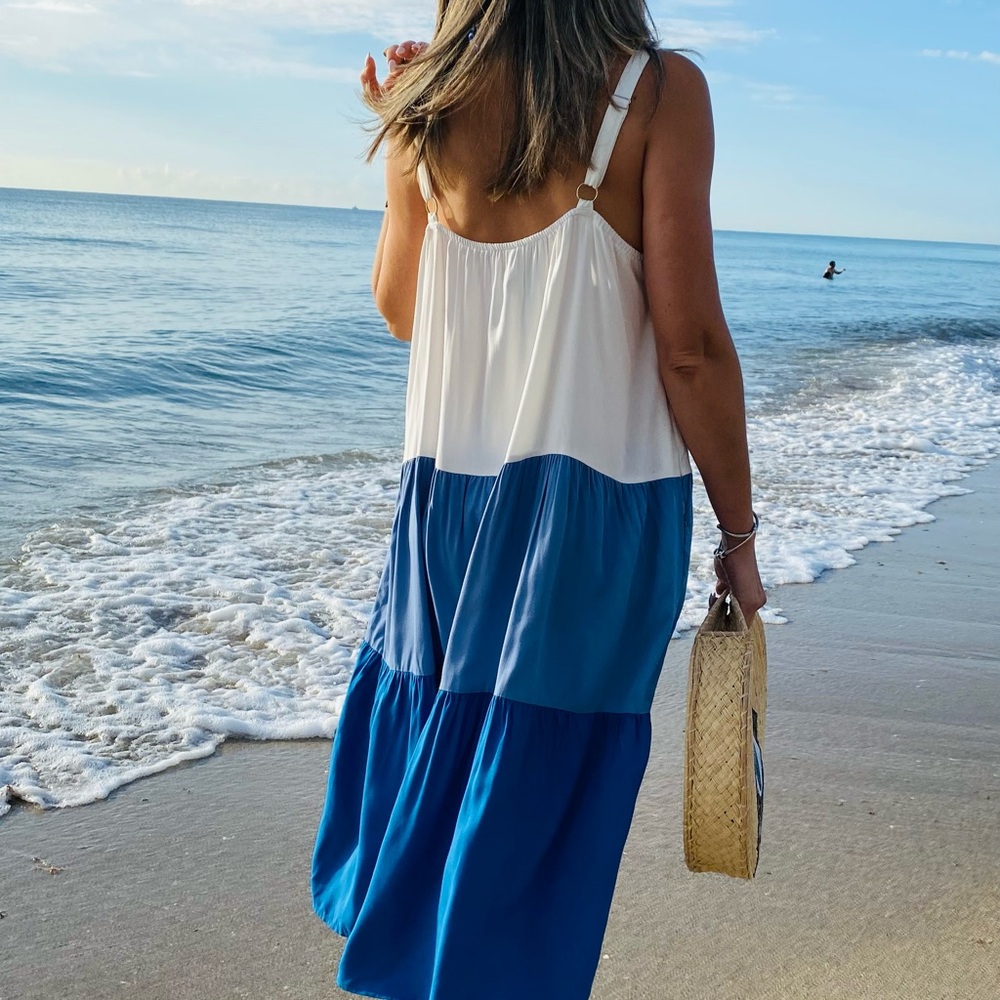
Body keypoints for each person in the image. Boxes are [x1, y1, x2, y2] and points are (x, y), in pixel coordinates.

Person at [311, 3, 766, 998]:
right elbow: (689, 348)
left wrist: (409, 138)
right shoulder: (655, 93)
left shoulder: (432, 102)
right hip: (592, 521)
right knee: (529, 827)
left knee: (436, 791)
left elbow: (401, 309)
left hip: (443, 510)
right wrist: (738, 530)